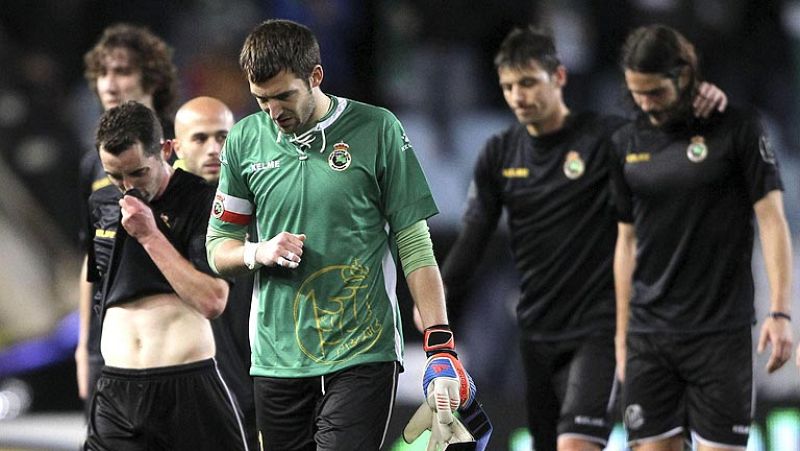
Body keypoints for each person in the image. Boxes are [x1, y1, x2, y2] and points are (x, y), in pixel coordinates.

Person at [440, 26, 726, 451]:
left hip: (599, 324)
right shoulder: (499, 154)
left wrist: (699, 110)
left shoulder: (605, 138)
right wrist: (437, 298)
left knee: (577, 443)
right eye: (508, 87)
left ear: (558, 78)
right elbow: (475, 236)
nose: (518, 96)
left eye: (529, 83)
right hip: (537, 331)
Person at [206, 19, 475, 450]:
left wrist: (440, 346)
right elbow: (218, 248)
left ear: (315, 77)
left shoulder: (378, 129)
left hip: (363, 352)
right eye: (261, 100)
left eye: (283, 96)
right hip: (277, 357)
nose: (274, 112)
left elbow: (415, 244)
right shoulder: (243, 140)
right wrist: (259, 251)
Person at [610, 24, 794, 451]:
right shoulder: (625, 143)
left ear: (683, 76)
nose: (645, 103)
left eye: (654, 92)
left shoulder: (738, 128)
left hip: (720, 333)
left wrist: (781, 312)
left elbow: (772, 220)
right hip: (649, 336)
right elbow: (626, 242)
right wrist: (621, 336)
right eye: (636, 93)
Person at [84, 101, 248, 450]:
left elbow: (212, 300)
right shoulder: (101, 204)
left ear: (166, 150)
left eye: (139, 173)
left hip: (185, 386)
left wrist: (149, 234)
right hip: (117, 390)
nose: (127, 187)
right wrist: (87, 354)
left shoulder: (204, 201)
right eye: (115, 175)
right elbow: (98, 288)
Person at [75, 23, 178, 415]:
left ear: (151, 78)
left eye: (122, 71)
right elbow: (92, 259)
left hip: (175, 337)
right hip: (112, 339)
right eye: (102, 73)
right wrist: (85, 345)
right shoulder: (92, 164)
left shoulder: (185, 146)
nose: (109, 84)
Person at [173, 96, 259, 450]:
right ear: (177, 145)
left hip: (260, 370)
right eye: (200, 138)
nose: (213, 148)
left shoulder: (259, 197)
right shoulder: (163, 210)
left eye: (222, 137)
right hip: (198, 377)